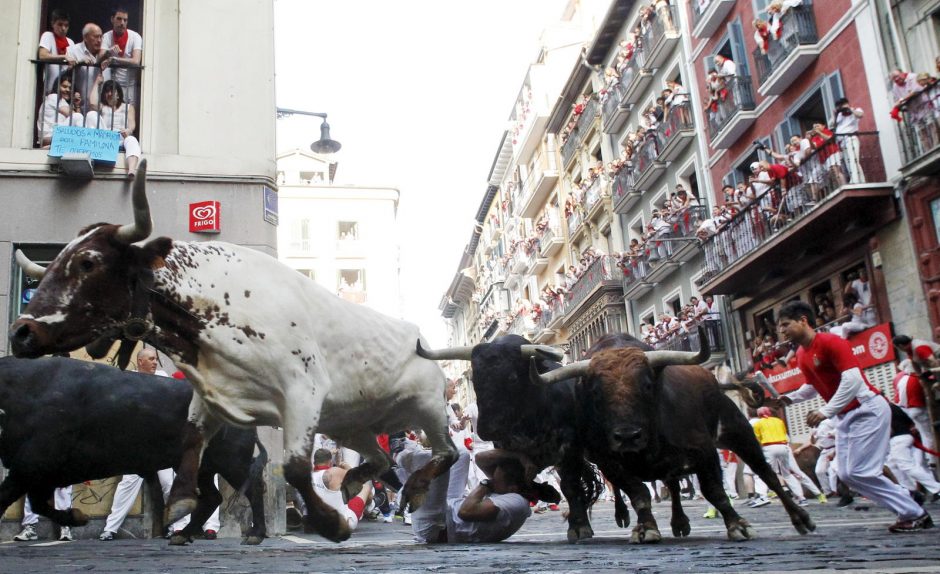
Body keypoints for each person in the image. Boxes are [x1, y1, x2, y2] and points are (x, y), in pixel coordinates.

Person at [776, 300, 932, 532]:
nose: (782, 331)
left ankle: (914, 512)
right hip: (845, 416)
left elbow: (853, 379)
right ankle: (907, 497)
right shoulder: (801, 354)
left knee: (861, 471)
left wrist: (825, 411)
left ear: (803, 321)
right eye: (780, 327)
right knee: (848, 474)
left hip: (866, 408)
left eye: (786, 324)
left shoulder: (831, 341)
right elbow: (812, 385)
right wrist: (788, 399)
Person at [100, 348, 220, 540]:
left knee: (169, 483)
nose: (155, 362)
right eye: (151, 359)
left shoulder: (164, 378)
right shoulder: (129, 379)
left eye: (156, 359)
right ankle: (110, 528)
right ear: (140, 362)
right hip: (136, 444)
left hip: (160, 443)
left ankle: (178, 527)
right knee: (128, 482)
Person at [400, 447, 539, 543]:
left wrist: (486, 484)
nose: (492, 480)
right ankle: (402, 478)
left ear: (512, 488)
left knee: (438, 460)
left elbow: (465, 512)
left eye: (495, 480)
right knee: (461, 454)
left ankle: (397, 456)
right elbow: (480, 458)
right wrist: (519, 456)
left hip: (434, 527)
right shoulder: (508, 489)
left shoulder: (516, 502)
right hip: (447, 509)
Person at [752, 406, 810, 506]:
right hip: (783, 446)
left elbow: (757, 439)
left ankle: (762, 496)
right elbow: (784, 434)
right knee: (787, 474)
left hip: (769, 447)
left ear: (759, 415)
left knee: (762, 473)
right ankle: (801, 498)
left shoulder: (758, 423)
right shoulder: (779, 421)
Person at [86, 79, 141, 176]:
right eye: (107, 91)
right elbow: (92, 103)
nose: (109, 93)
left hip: (121, 137)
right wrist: (97, 83)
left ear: (118, 94)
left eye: (112, 91)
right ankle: (92, 148)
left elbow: (132, 124)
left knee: (132, 140)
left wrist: (129, 130)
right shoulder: (103, 107)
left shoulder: (128, 107)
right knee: (91, 114)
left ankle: (131, 170)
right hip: (105, 138)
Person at [311, 449, 373, 531]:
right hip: (343, 525)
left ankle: (367, 509)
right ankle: (369, 508)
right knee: (365, 487)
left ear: (314, 461)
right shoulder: (334, 472)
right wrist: (345, 466)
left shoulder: (308, 475)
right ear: (330, 461)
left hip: (318, 523)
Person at [100, 6, 143, 106]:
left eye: (125, 20)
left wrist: (115, 59)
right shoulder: (107, 36)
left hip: (129, 85)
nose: (122, 23)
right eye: (119, 19)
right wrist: (109, 52)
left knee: (128, 115)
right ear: (112, 19)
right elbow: (99, 58)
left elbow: (136, 60)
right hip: (111, 84)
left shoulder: (135, 37)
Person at [65, 23, 105, 112]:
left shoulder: (104, 52)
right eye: (95, 37)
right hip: (78, 106)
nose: (99, 40)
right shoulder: (73, 51)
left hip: (100, 108)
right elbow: (65, 76)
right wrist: (79, 63)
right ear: (85, 37)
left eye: (101, 37)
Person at [36, 75, 84, 147]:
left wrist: (77, 105)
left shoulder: (64, 102)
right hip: (49, 137)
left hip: (56, 136)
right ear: (57, 86)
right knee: (78, 116)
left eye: (70, 88)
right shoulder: (54, 97)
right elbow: (74, 116)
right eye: (64, 86)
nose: (67, 90)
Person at [37, 8, 74, 96]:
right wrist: (63, 57)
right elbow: (42, 55)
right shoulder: (48, 36)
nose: (63, 28)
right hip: (49, 90)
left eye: (66, 25)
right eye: (60, 24)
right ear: (53, 23)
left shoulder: (70, 42)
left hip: (65, 91)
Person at [832, 97, 865, 183]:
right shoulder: (839, 116)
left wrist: (850, 110)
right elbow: (832, 126)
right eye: (840, 107)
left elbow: (861, 115)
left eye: (843, 106)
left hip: (851, 138)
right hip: (842, 142)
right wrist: (835, 115)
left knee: (853, 160)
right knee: (849, 163)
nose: (842, 109)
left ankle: (855, 181)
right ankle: (861, 180)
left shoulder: (855, 110)